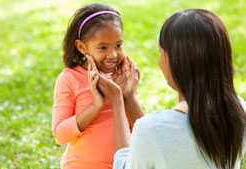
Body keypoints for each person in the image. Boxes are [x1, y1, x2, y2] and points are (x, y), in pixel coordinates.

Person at [93, 9, 246, 169]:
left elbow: (128, 162)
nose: (159, 63)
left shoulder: (152, 130)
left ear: (176, 62)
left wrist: (117, 101)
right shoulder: (238, 112)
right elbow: (162, 138)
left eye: (161, 53)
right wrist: (129, 97)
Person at [51, 3, 142, 169]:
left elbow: (142, 130)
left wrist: (128, 95)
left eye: (118, 45)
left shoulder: (124, 75)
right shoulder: (69, 79)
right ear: (81, 47)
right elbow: (60, 135)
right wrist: (96, 105)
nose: (113, 54)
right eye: (103, 47)